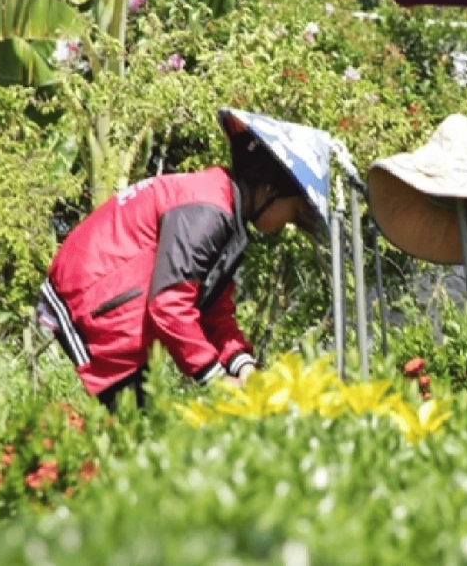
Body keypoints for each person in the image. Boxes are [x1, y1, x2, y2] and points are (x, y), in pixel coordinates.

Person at [34, 109, 332, 412]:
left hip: (116, 299)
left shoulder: (225, 211)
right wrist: (215, 380)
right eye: (292, 213)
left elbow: (213, 309)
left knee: (141, 425)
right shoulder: (207, 213)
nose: (287, 224)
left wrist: (244, 368)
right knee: (132, 425)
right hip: (89, 299)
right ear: (269, 191)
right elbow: (169, 303)